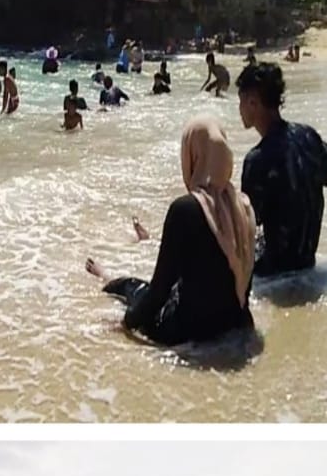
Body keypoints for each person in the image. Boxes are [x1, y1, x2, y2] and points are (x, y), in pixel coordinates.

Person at [86, 116, 255, 346]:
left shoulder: (185, 209)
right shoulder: (241, 207)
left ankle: (108, 278)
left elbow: (158, 293)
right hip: (236, 323)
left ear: (192, 155)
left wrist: (125, 324)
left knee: (132, 287)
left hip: (186, 330)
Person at [236, 62, 327, 277]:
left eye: (240, 102)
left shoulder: (257, 160)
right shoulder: (308, 137)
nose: (239, 109)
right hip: (308, 265)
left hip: (273, 275)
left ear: (253, 103)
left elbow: (245, 230)